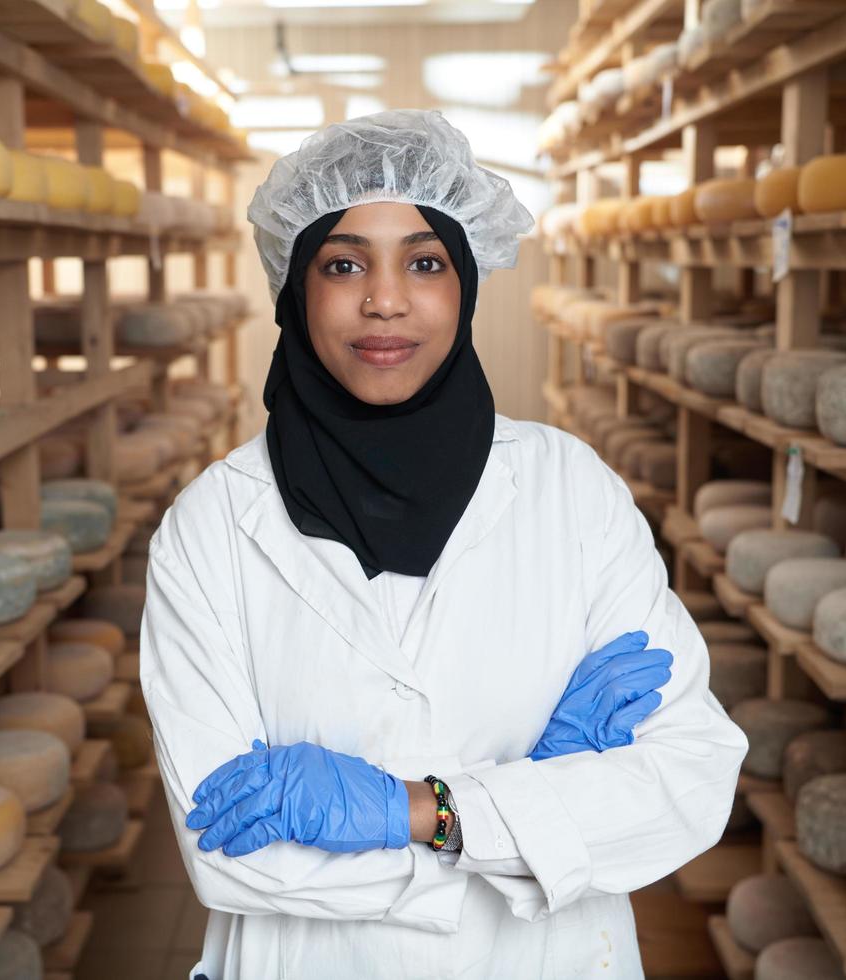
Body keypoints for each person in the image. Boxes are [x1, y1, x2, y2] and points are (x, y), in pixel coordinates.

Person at [140, 108, 747, 980]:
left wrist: (422, 810)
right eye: (343, 264)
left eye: (424, 262)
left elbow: (687, 782)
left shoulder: (570, 491)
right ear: (293, 292)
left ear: (465, 283)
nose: (385, 299)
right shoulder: (210, 526)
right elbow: (228, 854)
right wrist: (538, 811)